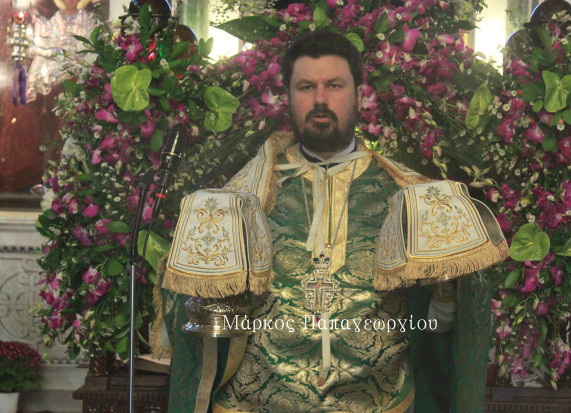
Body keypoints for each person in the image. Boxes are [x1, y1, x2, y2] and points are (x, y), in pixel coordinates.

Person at [158, 30, 508, 413]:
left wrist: (447, 293)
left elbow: (449, 323)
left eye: (334, 85)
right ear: (288, 96)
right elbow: (194, 318)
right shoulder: (242, 198)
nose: (320, 99)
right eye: (306, 86)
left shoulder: (408, 194)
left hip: (381, 403)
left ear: (358, 95)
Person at [26, 0, 96, 102]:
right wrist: (38, 20)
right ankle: (34, 87)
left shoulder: (85, 16)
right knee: (41, 56)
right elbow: (49, 32)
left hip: (76, 52)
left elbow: (89, 36)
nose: (71, 1)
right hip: (57, 50)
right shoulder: (58, 16)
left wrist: (77, 50)